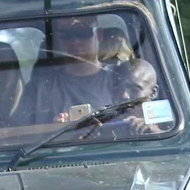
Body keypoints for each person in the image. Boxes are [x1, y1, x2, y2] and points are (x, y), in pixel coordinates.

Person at [18, 13, 160, 127]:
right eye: (66, 35)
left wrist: (146, 126)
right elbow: (19, 135)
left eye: (83, 33)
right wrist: (54, 130)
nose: (75, 42)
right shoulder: (41, 87)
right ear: (58, 39)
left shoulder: (122, 79)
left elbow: (159, 126)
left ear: (98, 35)